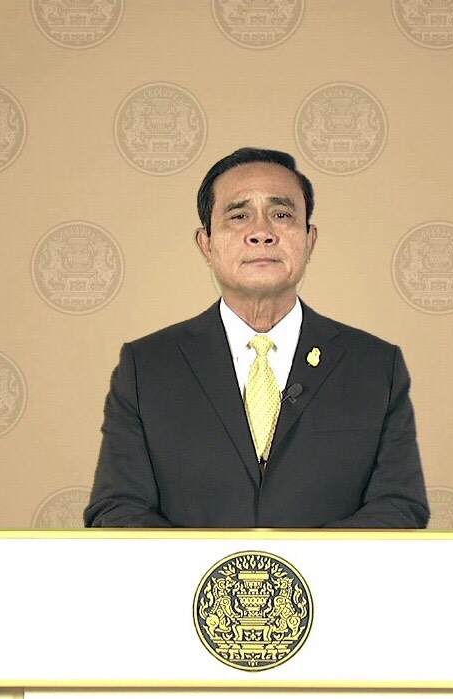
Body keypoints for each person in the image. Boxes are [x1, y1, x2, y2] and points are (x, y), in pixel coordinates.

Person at [83, 147, 428, 528]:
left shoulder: (376, 367)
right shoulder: (146, 367)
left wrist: (296, 564)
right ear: (206, 243)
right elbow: (117, 509)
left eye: (281, 215)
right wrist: (218, 565)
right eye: (239, 216)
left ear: (309, 240)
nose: (262, 233)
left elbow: (399, 507)